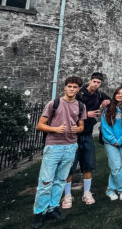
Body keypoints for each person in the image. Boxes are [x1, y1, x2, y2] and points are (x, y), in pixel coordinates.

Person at [32, 76, 87, 229]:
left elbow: (81, 126)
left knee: (61, 180)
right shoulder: (54, 104)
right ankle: (39, 212)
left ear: (78, 89)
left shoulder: (80, 106)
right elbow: (40, 125)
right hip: (54, 146)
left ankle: (53, 208)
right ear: (65, 87)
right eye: (69, 86)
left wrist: (78, 129)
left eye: (75, 87)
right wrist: (55, 129)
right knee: (46, 181)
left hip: (70, 146)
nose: (72, 89)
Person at [63, 72, 110, 208]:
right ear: (90, 81)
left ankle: (87, 192)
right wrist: (86, 114)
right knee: (69, 166)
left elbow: (113, 100)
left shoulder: (99, 95)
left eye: (98, 83)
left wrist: (107, 102)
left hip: (88, 134)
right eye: (94, 81)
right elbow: (69, 110)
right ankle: (67, 195)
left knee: (88, 164)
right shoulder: (79, 93)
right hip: (74, 135)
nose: (95, 84)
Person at [101, 87, 122, 201]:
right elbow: (105, 126)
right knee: (116, 166)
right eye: (118, 93)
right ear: (114, 94)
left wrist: (120, 140)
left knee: (120, 166)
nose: (120, 95)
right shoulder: (107, 108)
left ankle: (110, 189)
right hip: (110, 142)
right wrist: (113, 140)